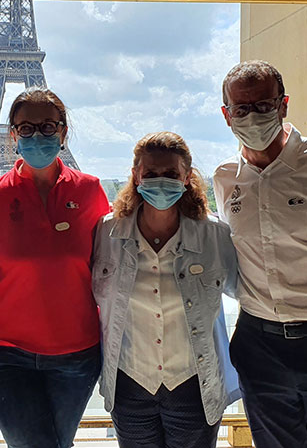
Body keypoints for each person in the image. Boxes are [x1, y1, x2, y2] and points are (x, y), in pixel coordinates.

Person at [0, 88, 109, 448]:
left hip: (77, 353)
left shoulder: (90, 191)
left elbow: (110, 271)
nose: (36, 136)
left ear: (63, 132)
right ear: (11, 134)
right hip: (6, 355)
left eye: (47, 127)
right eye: (26, 128)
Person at [92, 131, 240, 448]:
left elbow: (247, 295)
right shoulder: (106, 232)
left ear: (187, 177)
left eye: (171, 174)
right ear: (135, 176)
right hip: (129, 384)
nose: (161, 181)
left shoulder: (215, 235)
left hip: (193, 385)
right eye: (152, 174)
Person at [213, 60, 307, 447]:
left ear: (283, 104)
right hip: (259, 343)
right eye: (241, 108)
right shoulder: (224, 179)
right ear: (227, 114)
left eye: (264, 106)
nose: (252, 116)